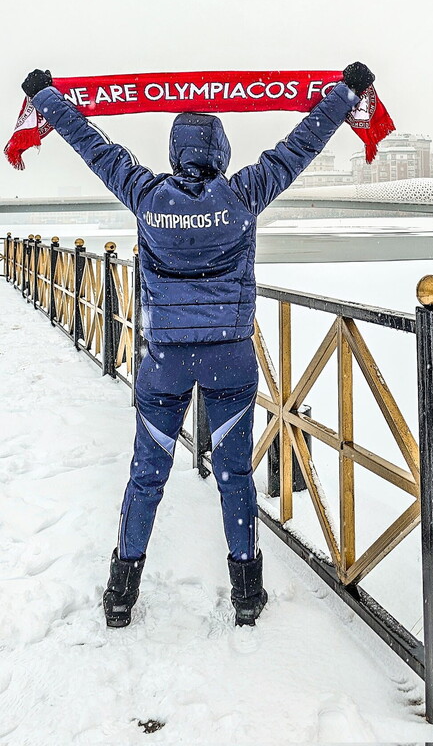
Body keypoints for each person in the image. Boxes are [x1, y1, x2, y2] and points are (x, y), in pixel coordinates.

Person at [21, 63, 375, 628]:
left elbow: (90, 142)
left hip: (164, 362)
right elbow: (303, 143)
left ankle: (121, 591)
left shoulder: (145, 194)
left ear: (175, 151)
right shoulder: (243, 195)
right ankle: (246, 591)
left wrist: (45, 97)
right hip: (230, 359)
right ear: (222, 151)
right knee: (235, 476)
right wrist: (347, 93)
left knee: (145, 477)